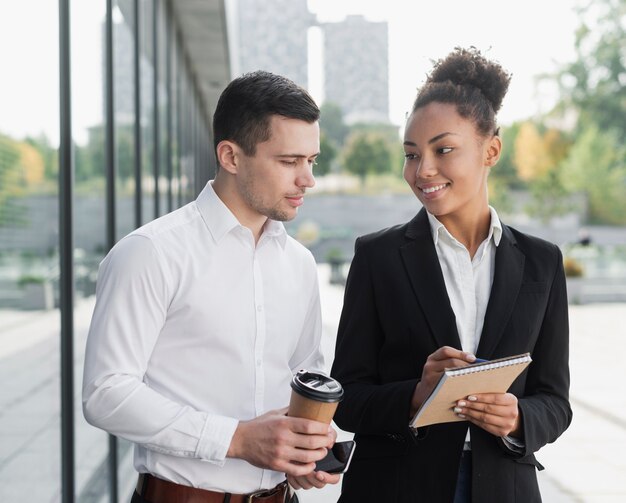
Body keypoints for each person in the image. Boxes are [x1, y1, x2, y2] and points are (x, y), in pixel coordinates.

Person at [82, 70, 341, 503]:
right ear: (231, 156)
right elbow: (105, 393)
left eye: (311, 161)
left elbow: (302, 373)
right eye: (289, 161)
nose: (307, 180)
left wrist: (305, 448)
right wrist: (237, 439)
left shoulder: (299, 263)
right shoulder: (150, 252)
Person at [330, 47, 572, 502]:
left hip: (505, 488)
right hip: (395, 488)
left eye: (443, 149)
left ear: (491, 150)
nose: (423, 170)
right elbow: (347, 398)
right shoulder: (377, 257)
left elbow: (555, 401)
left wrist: (519, 419)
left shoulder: (542, 262)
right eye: (411, 154)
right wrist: (416, 395)